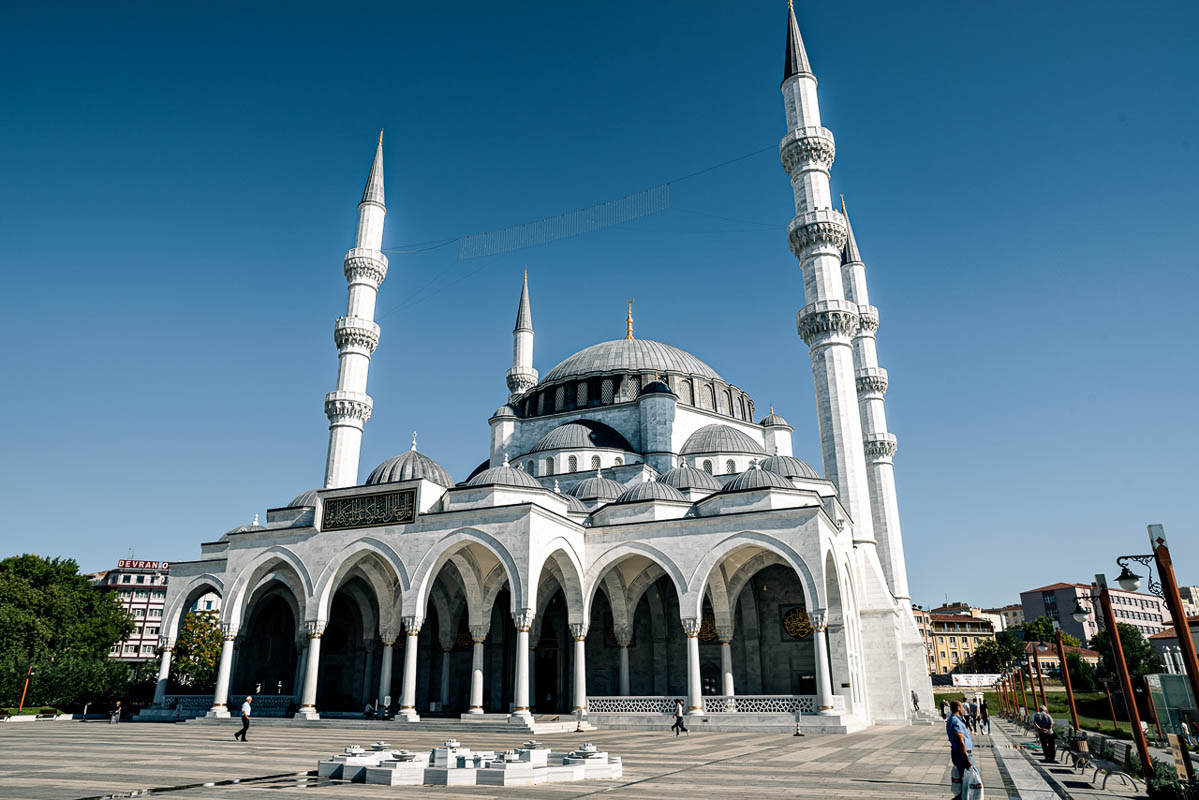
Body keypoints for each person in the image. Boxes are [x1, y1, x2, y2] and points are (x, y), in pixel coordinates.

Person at [946, 700, 975, 799]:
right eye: (962, 707)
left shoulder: (957, 719)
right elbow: (960, 740)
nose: (964, 709)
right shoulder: (955, 721)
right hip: (962, 754)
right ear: (958, 708)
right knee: (968, 782)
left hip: (960, 754)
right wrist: (967, 758)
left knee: (965, 784)